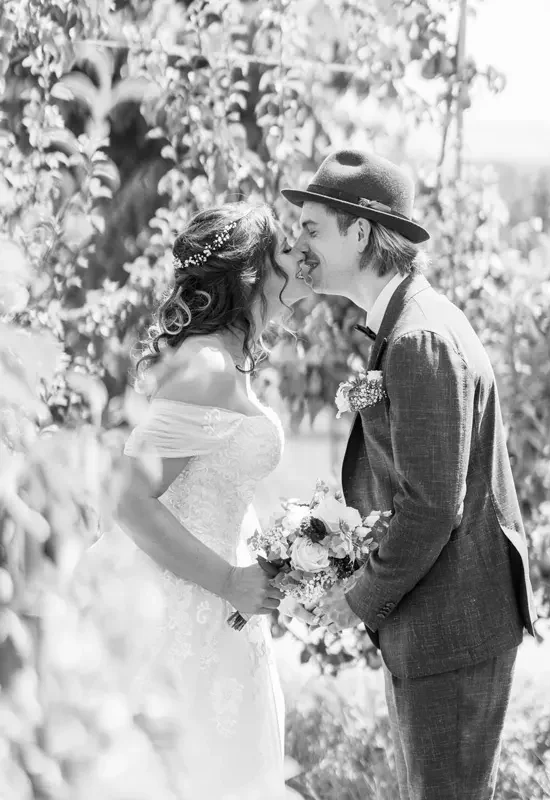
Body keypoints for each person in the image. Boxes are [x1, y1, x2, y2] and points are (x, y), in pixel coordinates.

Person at [283, 149, 538, 800]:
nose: (299, 245)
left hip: (453, 628)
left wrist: (356, 600)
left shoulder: (419, 339)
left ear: (358, 232)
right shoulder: (405, 323)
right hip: (439, 623)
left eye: (311, 229)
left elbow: (430, 508)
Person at [112, 202, 308, 799]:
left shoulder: (221, 358)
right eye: (285, 254)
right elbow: (127, 499)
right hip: (189, 606)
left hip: (222, 607)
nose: (297, 262)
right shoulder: (209, 365)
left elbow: (211, 481)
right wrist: (228, 580)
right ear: (251, 275)